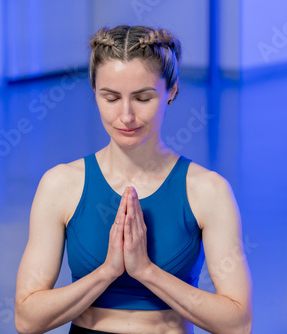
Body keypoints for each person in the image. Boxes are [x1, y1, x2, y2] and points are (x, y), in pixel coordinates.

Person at [14, 25, 252, 334]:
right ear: (94, 92)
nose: (126, 116)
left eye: (142, 98)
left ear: (172, 90)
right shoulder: (60, 185)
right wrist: (107, 272)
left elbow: (237, 323)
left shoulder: (208, 191)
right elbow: (27, 319)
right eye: (111, 98)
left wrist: (146, 271)